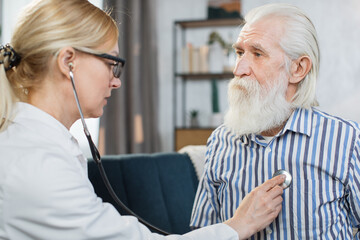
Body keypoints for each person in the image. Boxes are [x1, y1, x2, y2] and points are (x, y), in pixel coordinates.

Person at [0, 0, 286, 239]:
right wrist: (239, 225)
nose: (116, 82)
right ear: (67, 62)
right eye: (112, 64)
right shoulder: (37, 165)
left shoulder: (40, 143)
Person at [190, 3, 360, 239]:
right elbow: (204, 231)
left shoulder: (347, 139)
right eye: (239, 53)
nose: (239, 69)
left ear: (298, 69)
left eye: (257, 54)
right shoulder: (220, 141)